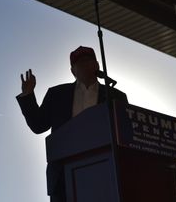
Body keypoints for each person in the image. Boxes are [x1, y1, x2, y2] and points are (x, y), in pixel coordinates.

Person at [16, 46, 128, 202]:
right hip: (64, 178)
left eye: (88, 61)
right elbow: (38, 125)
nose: (84, 65)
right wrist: (28, 94)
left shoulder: (115, 96)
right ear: (73, 70)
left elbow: (125, 133)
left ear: (96, 65)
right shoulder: (56, 94)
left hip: (106, 172)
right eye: (79, 63)